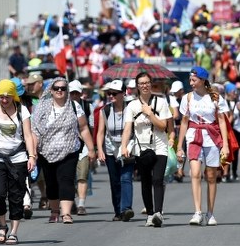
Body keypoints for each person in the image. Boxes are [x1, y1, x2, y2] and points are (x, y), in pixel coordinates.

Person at [0, 79, 36, 244]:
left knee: (16, 196)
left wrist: (32, 156)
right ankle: (2, 225)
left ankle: (14, 231)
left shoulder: (22, 110)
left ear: (13, 96)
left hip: (18, 158)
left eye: (8, 96)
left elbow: (28, 135)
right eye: (1, 96)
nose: (4, 100)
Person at [31, 77, 96, 225]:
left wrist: (91, 149)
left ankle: (66, 213)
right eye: (56, 88)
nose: (60, 91)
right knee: (51, 183)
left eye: (63, 88)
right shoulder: (42, 108)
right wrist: (33, 153)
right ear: (51, 91)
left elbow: (84, 128)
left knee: (66, 180)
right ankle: (55, 211)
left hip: (69, 151)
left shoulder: (74, 106)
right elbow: (34, 131)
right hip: (46, 152)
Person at [176, 67, 229, 226]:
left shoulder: (215, 97)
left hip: (212, 137)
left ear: (202, 80)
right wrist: (179, 146)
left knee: (211, 176)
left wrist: (225, 145)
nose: (191, 83)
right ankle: (197, 212)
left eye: (194, 80)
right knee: (195, 173)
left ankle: (210, 213)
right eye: (190, 80)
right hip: (193, 136)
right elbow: (184, 122)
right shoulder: (188, 98)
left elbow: (221, 121)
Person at [120, 72, 172, 227]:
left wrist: (150, 114)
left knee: (157, 179)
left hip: (159, 147)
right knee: (146, 181)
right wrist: (123, 146)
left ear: (151, 83)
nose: (144, 86)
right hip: (141, 148)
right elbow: (128, 128)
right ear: (137, 86)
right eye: (141, 83)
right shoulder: (132, 106)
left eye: (147, 82)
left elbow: (164, 127)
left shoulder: (161, 102)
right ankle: (150, 214)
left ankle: (158, 213)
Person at [95, 80, 133, 221]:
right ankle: (118, 211)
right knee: (114, 181)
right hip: (111, 149)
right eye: (109, 93)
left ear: (123, 94)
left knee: (126, 178)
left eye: (114, 93)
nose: (111, 96)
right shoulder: (105, 110)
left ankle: (126, 208)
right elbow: (100, 132)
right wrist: (100, 150)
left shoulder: (131, 108)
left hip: (127, 148)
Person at [68, 80, 95, 216]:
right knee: (68, 177)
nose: (74, 96)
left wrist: (92, 148)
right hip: (67, 147)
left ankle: (81, 204)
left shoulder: (87, 106)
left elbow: (90, 128)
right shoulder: (64, 107)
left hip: (83, 146)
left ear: (80, 94)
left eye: (76, 93)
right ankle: (70, 201)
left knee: (82, 175)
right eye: (71, 93)